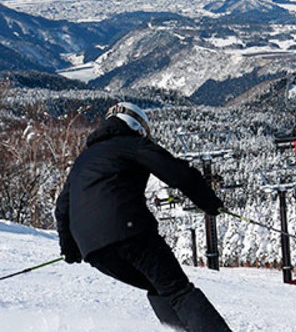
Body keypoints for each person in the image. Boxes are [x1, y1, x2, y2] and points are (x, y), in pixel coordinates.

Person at [55, 102, 231, 332]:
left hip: (94, 251)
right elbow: (178, 173)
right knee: (177, 290)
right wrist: (210, 203)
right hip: (130, 234)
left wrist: (70, 247)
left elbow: (62, 206)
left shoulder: (83, 160)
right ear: (137, 126)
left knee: (160, 287)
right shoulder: (133, 144)